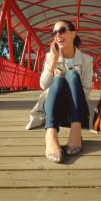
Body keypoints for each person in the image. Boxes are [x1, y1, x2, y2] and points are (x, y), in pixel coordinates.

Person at [40, 20, 93, 163]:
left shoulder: (87, 60)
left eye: (62, 30)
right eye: (54, 32)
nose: (58, 35)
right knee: (57, 79)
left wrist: (71, 84)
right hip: (54, 110)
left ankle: (76, 131)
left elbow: (87, 90)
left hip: (75, 111)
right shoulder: (50, 57)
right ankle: (50, 134)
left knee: (72, 75)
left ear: (73, 34)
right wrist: (54, 61)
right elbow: (43, 85)